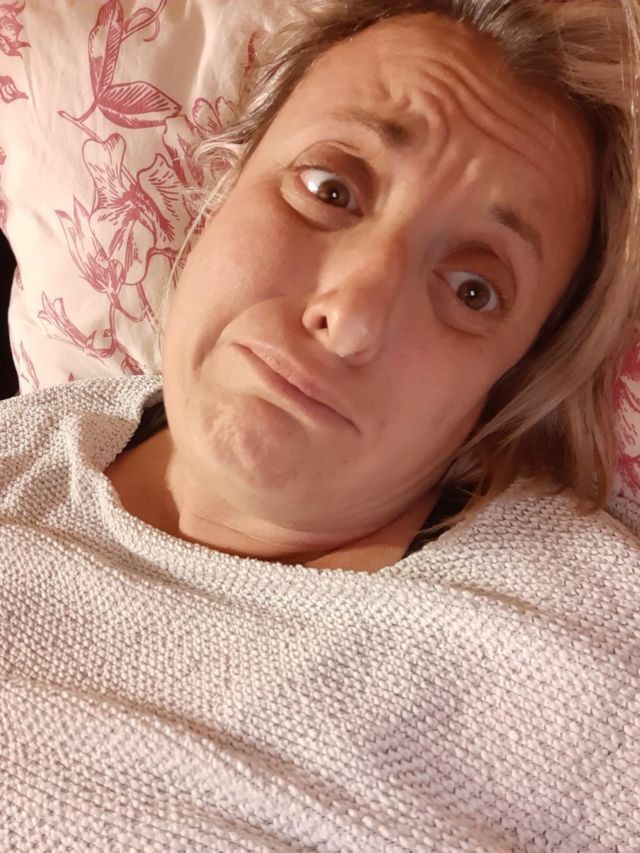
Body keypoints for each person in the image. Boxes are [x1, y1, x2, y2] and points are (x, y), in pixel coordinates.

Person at [1, 0, 639, 848]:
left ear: (510, 379)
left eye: (473, 288)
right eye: (330, 189)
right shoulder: (23, 446)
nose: (354, 316)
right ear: (222, 185)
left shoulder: (583, 659)